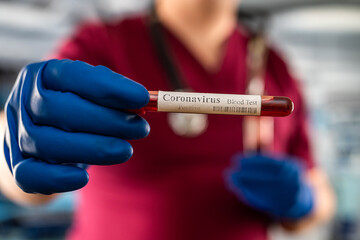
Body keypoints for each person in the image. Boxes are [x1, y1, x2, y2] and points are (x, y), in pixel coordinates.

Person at [0, 0, 335, 239]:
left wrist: (304, 201)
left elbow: (319, 191)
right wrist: (17, 142)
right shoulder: (100, 46)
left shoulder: (274, 66)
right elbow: (27, 184)